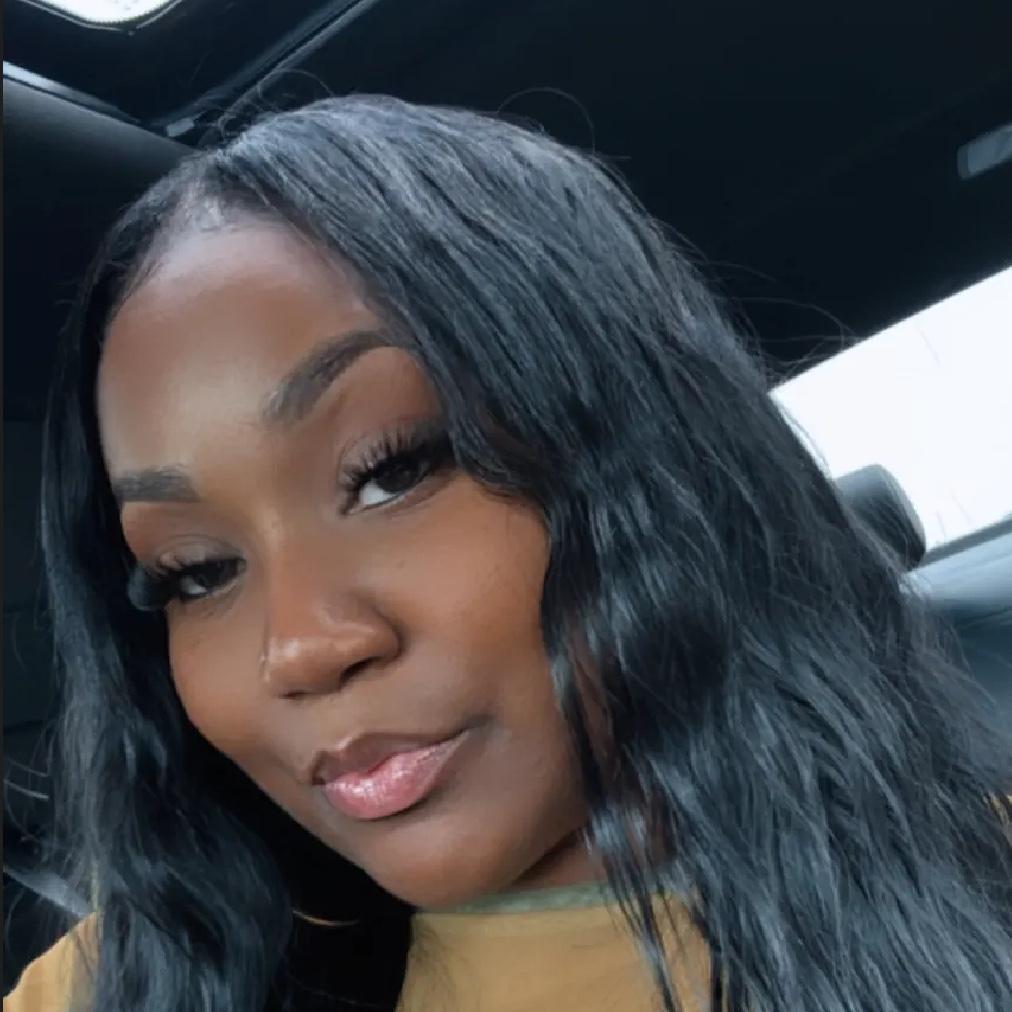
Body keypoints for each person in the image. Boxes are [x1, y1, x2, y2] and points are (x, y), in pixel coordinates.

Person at [5, 96, 1011, 1012]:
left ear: (645, 455)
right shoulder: (135, 980)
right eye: (196, 571)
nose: (299, 648)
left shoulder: (979, 885)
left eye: (392, 469)